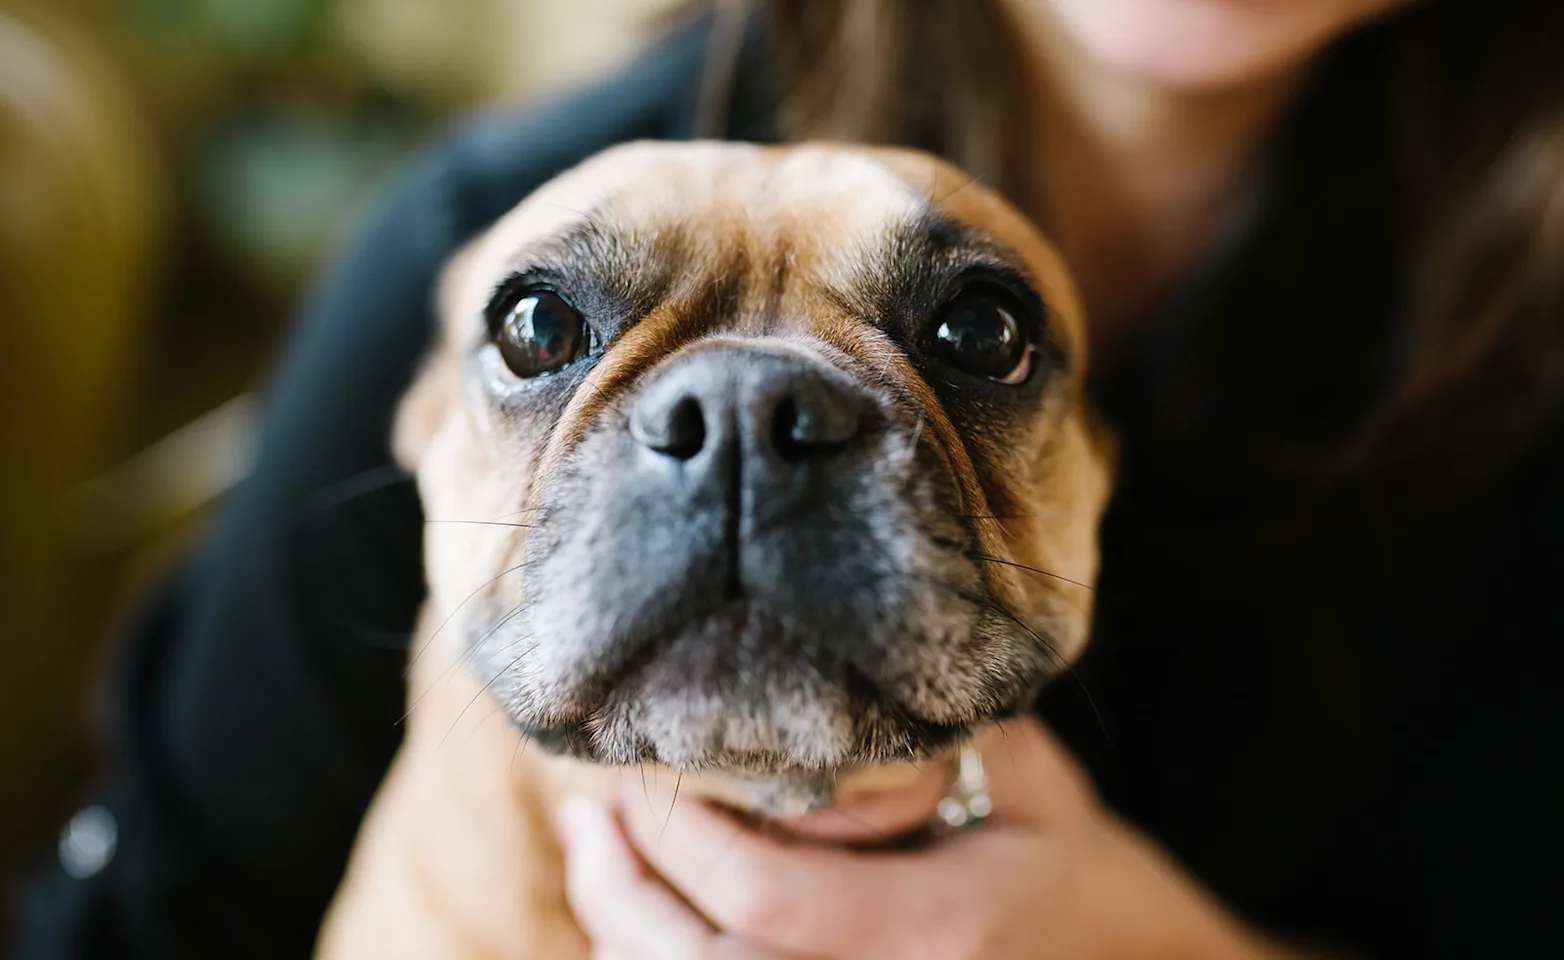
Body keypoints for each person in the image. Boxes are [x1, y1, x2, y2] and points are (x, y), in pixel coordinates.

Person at [16, 0, 1564, 956]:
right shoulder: (468, 213)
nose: (738, 438)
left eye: (970, 335)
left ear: (1105, 461)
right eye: (549, 335)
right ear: (420, 424)